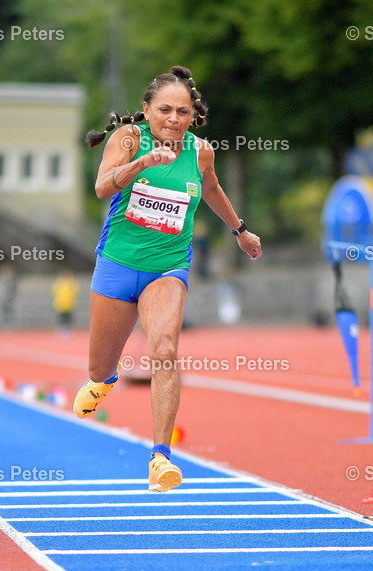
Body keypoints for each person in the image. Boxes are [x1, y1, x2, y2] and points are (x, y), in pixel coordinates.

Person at [74, 65, 261, 493]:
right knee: (99, 367)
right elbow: (102, 187)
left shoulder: (200, 153)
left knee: (163, 351)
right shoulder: (129, 139)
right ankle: (104, 381)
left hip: (167, 268)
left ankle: (160, 458)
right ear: (146, 110)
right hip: (117, 266)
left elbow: (210, 189)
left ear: (193, 115)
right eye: (164, 110)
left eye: (183, 112)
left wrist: (240, 231)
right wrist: (143, 162)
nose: (173, 119)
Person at [51, 269, 79, 335]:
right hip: (60, 304)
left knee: (69, 318)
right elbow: (55, 292)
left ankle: (69, 330)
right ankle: (61, 329)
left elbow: (74, 292)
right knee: (61, 317)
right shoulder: (58, 283)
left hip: (69, 304)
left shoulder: (71, 283)